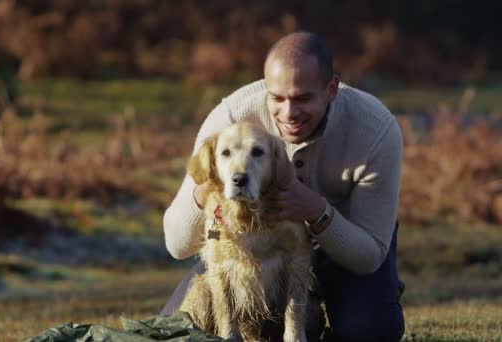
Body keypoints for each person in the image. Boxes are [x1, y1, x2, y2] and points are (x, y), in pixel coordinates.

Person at [161, 31, 405, 341]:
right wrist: (208, 192)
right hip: (242, 249)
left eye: (303, 98)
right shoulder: (230, 118)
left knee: (371, 330)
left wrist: (316, 210)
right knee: (175, 331)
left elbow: (369, 255)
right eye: (277, 98)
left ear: (331, 89)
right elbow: (177, 245)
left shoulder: (377, 130)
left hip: (345, 247)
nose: (289, 113)